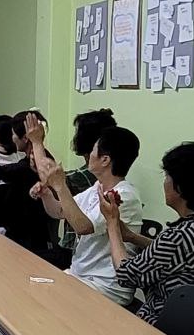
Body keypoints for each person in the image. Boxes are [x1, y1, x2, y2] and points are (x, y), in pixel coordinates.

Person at [101, 142, 194, 323]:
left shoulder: (179, 236)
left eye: (167, 176)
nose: (165, 183)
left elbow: (126, 275)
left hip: (169, 326)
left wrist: (112, 224)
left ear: (181, 187)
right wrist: (132, 237)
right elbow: (176, 256)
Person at [33, 127, 143, 306]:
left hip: (105, 286)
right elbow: (60, 211)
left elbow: (83, 227)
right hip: (80, 276)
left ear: (105, 160)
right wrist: (46, 194)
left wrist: (60, 186)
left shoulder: (124, 195)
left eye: (93, 150)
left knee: (42, 302)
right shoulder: (97, 187)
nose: (89, 155)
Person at [0, 111, 57, 254]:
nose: (12, 138)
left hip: (31, 237)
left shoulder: (34, 163)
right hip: (22, 231)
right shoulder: (30, 160)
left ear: (25, 138)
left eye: (14, 134)